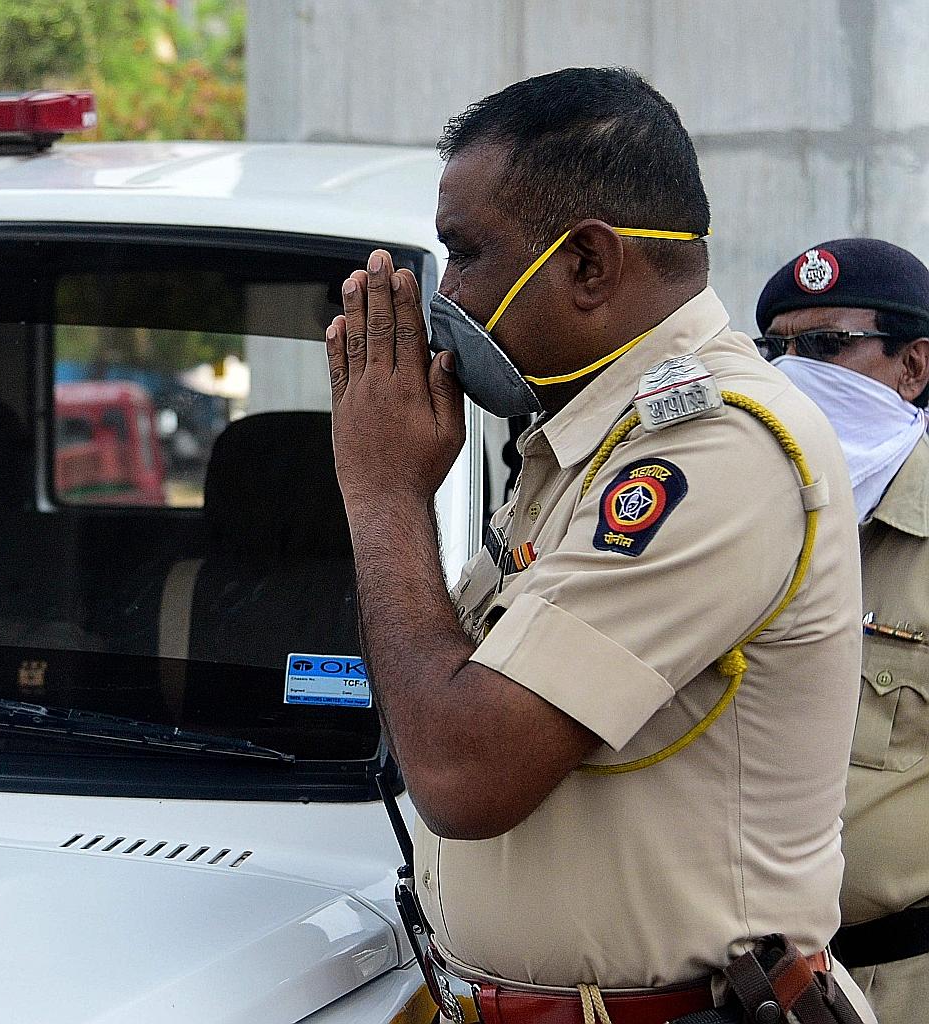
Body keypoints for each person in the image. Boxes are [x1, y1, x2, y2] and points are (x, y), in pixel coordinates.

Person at [325, 67, 875, 1021]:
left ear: (587, 264)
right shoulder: (585, 440)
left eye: (466, 252)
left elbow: (463, 772)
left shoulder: (717, 450)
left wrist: (382, 491)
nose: (446, 294)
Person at [755, 238, 929, 1023]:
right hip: (744, 987)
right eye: (777, 350)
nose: (794, 375)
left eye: (828, 347)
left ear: (914, 367)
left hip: (902, 981)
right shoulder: (740, 521)